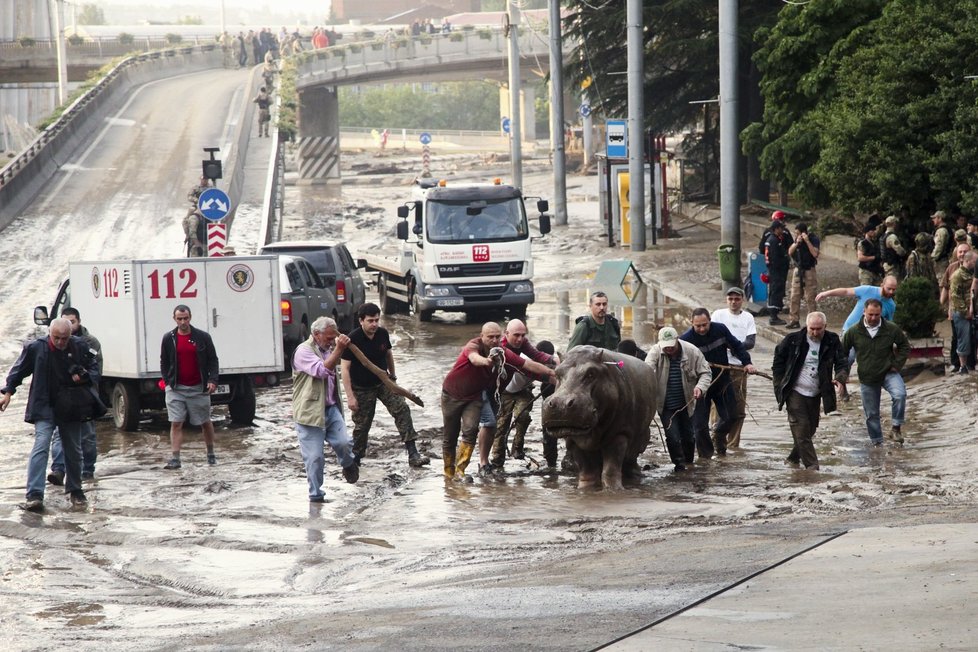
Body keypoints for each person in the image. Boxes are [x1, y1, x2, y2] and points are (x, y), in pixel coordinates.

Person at [1, 319, 102, 511]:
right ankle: (34, 495)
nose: (61, 342)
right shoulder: (36, 348)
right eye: (57, 338)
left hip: (71, 405)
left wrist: (84, 377)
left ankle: (75, 490)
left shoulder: (80, 346)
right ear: (50, 334)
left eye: (65, 338)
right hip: (44, 404)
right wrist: (7, 393)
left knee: (73, 449)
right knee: (41, 445)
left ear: (70, 335)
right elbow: (19, 370)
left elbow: (94, 368)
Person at [440, 322, 555, 480]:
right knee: (450, 436)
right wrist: (486, 361)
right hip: (452, 394)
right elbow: (474, 358)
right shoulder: (473, 345)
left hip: (477, 396)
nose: (494, 340)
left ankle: (461, 472)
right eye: (490, 337)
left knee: (472, 430)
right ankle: (448, 473)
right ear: (482, 336)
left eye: (496, 337)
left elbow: (528, 364)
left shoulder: (504, 352)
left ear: (501, 337)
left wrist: (553, 372)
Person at [340, 303, 429, 468]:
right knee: (362, 424)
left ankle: (413, 453)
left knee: (402, 409)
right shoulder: (353, 339)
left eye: (376, 320)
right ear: (361, 321)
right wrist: (350, 397)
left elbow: (388, 354)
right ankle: (356, 459)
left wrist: (393, 379)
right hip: (361, 387)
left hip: (383, 382)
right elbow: (344, 369)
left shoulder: (382, 334)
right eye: (370, 321)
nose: (374, 324)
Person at [293, 317, 360, 502]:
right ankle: (316, 497)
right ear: (316, 334)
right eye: (329, 338)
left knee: (344, 442)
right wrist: (339, 348)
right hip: (309, 413)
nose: (331, 341)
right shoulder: (303, 351)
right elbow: (322, 371)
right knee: (314, 458)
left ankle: (348, 464)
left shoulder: (329, 349)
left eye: (333, 338)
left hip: (330, 409)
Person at [772, 312, 847, 470]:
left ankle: (793, 459)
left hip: (816, 392)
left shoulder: (832, 340)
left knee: (810, 429)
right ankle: (812, 468)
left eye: (819, 329)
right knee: (802, 428)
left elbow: (842, 362)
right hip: (794, 391)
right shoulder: (793, 340)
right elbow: (778, 362)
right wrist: (779, 385)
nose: (815, 332)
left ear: (825, 327)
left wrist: (840, 378)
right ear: (806, 327)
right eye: (812, 329)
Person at [680, 308, 756, 459]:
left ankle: (719, 437)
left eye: (705, 325)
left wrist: (747, 363)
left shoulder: (720, 329)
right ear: (691, 323)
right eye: (698, 326)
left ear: (710, 321)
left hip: (722, 381)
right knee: (700, 426)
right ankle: (705, 459)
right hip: (700, 386)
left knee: (732, 416)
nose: (702, 329)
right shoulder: (686, 340)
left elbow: (737, 346)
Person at [488, 321, 559, 469]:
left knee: (523, 416)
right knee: (502, 425)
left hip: (522, 391)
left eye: (523, 335)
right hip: (504, 391)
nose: (520, 339)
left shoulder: (525, 346)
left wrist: (554, 362)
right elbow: (529, 371)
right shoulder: (509, 352)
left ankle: (517, 448)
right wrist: (551, 376)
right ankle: (497, 461)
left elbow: (539, 355)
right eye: (516, 335)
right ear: (507, 334)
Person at [842, 299, 911, 446]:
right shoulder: (853, 331)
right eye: (871, 314)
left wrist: (897, 364)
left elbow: (904, 346)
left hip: (888, 372)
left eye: (877, 315)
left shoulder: (891, 329)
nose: (873, 318)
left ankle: (896, 428)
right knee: (872, 414)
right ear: (864, 312)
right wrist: (842, 374)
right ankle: (877, 443)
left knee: (900, 395)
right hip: (867, 376)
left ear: (881, 314)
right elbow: (842, 353)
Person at [160, 305, 219, 470]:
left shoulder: (202, 337)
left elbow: (213, 360)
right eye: (179, 319)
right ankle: (175, 458)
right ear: (174, 319)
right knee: (176, 422)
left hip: (198, 388)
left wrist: (213, 380)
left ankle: (211, 453)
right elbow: (164, 361)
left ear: (190, 317)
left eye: (185, 318)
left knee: (205, 421)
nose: (183, 322)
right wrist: (167, 381)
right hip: (176, 388)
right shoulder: (169, 338)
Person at [48, 307, 102, 485]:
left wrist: (83, 377)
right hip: (62, 398)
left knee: (86, 436)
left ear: (78, 322)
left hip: (84, 397)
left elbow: (95, 369)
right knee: (58, 435)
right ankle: (59, 470)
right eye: (65, 321)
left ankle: (87, 470)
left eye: (72, 322)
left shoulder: (89, 343)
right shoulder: (54, 343)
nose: (68, 326)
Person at [646, 327, 711, 472]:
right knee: (673, 436)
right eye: (666, 346)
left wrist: (700, 388)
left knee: (688, 435)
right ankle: (679, 465)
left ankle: (689, 462)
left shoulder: (692, 351)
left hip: (687, 402)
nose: (669, 349)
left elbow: (706, 373)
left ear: (677, 340)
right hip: (666, 405)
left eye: (671, 345)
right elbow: (647, 371)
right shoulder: (655, 352)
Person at [710, 287, 756, 449]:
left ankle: (733, 443)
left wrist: (735, 347)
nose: (733, 302)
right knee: (717, 404)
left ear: (742, 300)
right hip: (719, 365)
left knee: (738, 405)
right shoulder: (718, 315)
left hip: (739, 367)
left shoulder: (748, 317)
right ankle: (716, 439)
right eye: (730, 299)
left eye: (737, 299)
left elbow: (750, 341)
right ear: (726, 300)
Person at [815, 275, 898, 334]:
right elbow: (846, 291)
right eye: (889, 288)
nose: (891, 292)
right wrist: (826, 293)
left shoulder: (891, 305)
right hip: (849, 330)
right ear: (882, 285)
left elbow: (888, 324)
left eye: (893, 290)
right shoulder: (867, 290)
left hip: (867, 337)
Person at [786, 223, 820, 329]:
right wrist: (797, 243)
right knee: (794, 296)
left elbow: (815, 254)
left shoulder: (813, 239)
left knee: (810, 296)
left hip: (809, 269)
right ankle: (794, 320)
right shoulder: (797, 239)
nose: (796, 235)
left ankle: (812, 321)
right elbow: (790, 252)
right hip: (798, 269)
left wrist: (807, 241)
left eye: (798, 233)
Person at [948, 251, 976, 374]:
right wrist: (966, 312)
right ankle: (962, 366)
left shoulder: (972, 275)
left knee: (973, 338)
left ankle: (971, 364)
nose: (976, 264)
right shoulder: (957, 276)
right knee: (963, 339)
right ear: (968, 261)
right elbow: (955, 296)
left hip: (972, 310)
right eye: (975, 262)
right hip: (961, 312)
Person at [764, 219, 791, 325]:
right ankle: (773, 316)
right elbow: (776, 258)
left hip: (773, 271)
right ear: (776, 229)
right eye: (781, 228)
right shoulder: (774, 241)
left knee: (774, 291)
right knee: (776, 291)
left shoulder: (770, 239)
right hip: (776, 271)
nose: (782, 230)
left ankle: (774, 313)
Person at [856, 222, 884, 287]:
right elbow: (860, 258)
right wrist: (874, 257)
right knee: (866, 291)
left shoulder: (874, 243)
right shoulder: (863, 243)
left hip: (875, 271)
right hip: (866, 271)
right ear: (867, 232)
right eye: (872, 230)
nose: (874, 232)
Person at [930, 210, 954, 283]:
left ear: (940, 219)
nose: (933, 220)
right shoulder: (949, 229)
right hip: (947, 258)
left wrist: (932, 258)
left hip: (942, 261)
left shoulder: (941, 231)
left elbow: (939, 247)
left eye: (935, 218)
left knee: (942, 281)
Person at [880, 215, 908, 280]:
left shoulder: (883, 236)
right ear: (894, 224)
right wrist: (906, 255)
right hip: (892, 265)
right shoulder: (892, 237)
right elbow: (900, 251)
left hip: (886, 264)